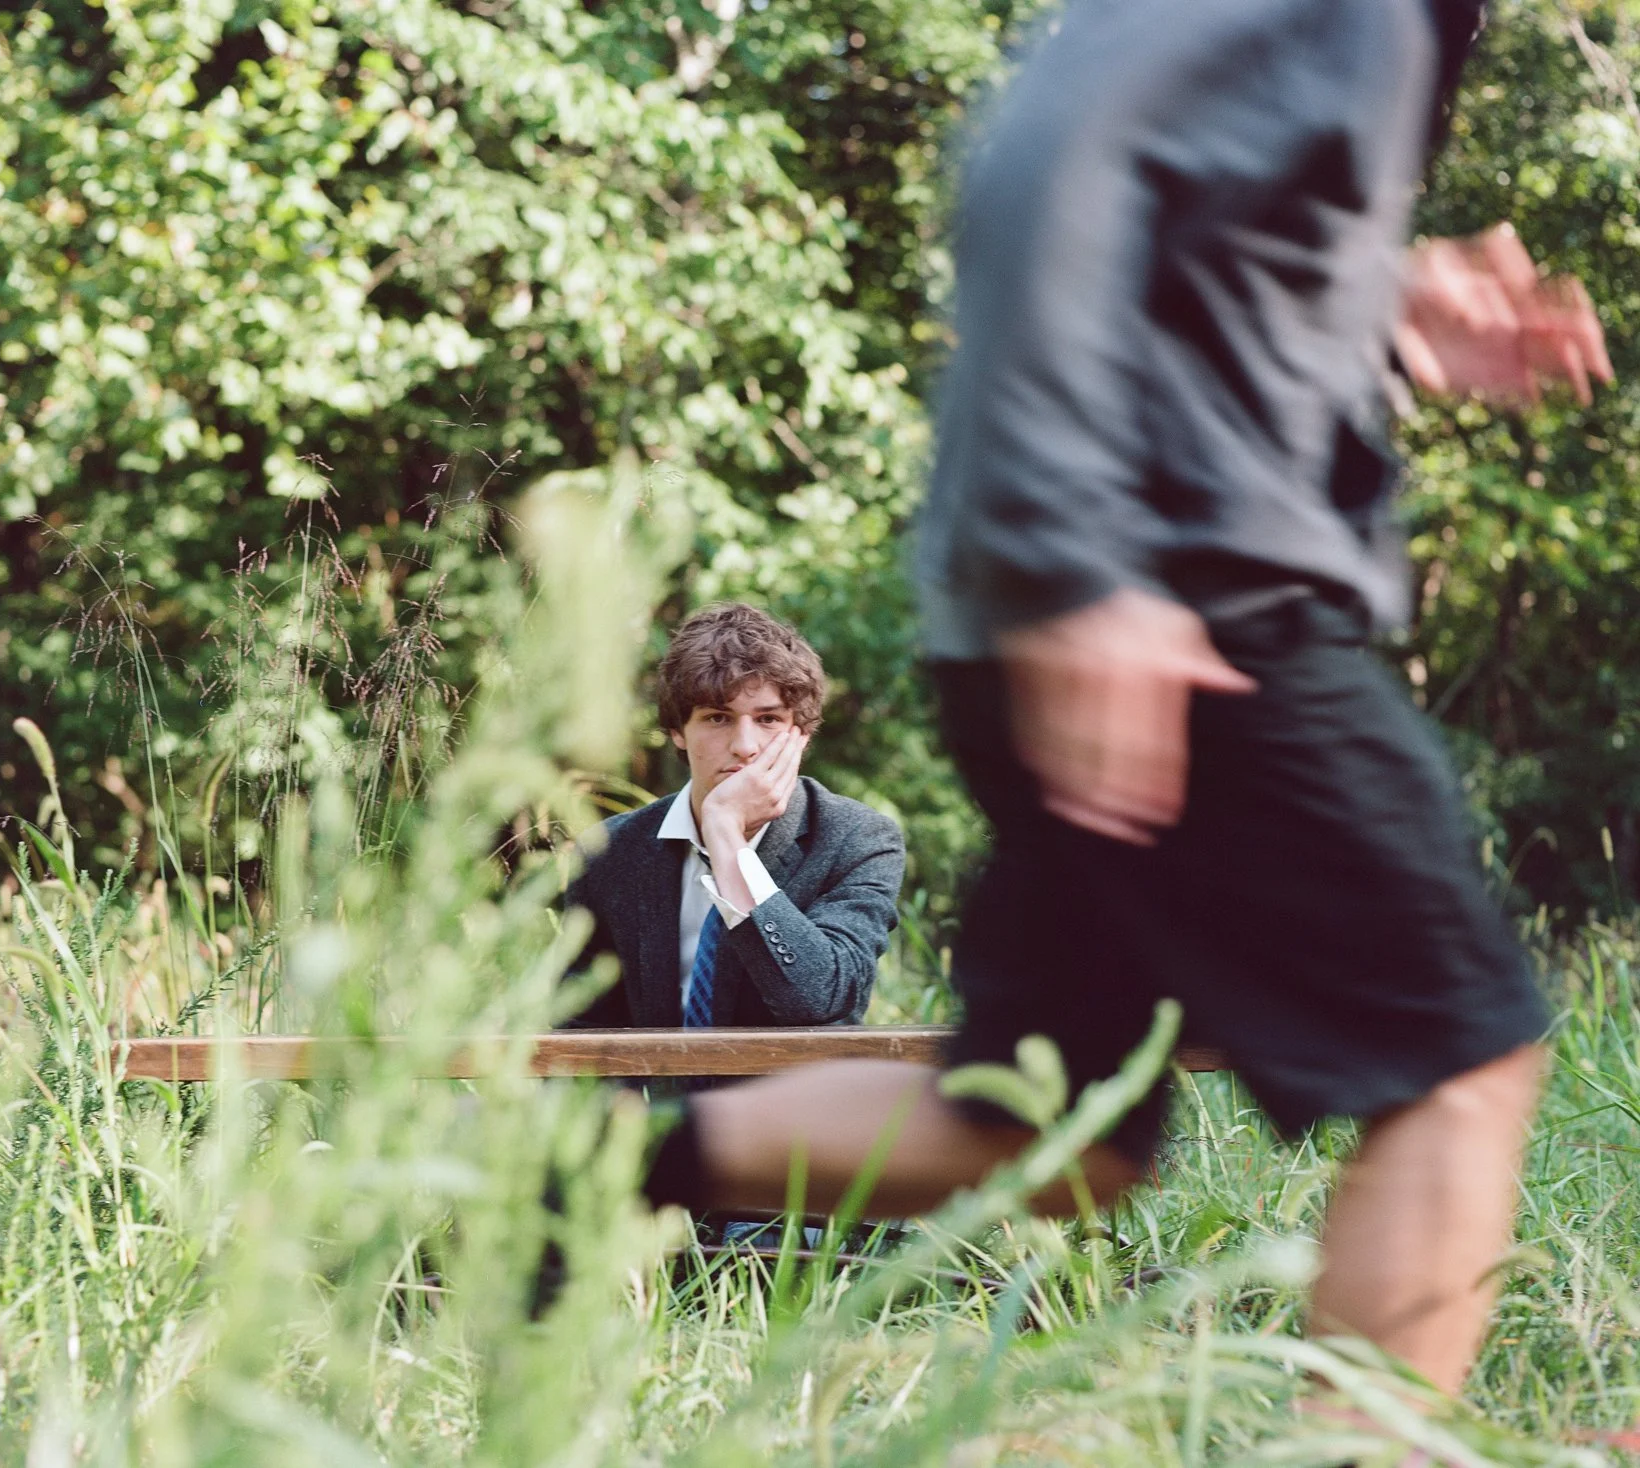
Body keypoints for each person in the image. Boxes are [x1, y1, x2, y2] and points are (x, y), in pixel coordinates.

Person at [639, 0, 1612, 1415]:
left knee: (1037, 1124)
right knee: (1460, 1058)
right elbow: (1046, 152)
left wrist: (1384, 304)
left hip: (1102, 609)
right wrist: (1080, 563)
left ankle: (598, 1174)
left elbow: (1198, 241)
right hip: (1186, 612)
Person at [565, 602, 905, 1033]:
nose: (745, 745)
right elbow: (582, 1023)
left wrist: (726, 837)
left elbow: (821, 999)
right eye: (718, 718)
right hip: (656, 1100)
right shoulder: (610, 851)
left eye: (768, 719)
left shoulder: (857, 840)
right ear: (676, 731)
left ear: (801, 735)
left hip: (793, 1100)